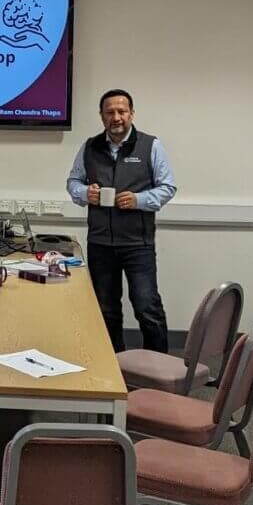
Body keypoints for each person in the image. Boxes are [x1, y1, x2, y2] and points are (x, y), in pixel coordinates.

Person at [66, 89, 176, 354]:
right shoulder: (90, 147)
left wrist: (138, 200)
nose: (116, 117)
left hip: (138, 243)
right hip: (101, 242)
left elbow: (168, 187)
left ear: (131, 114)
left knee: (147, 307)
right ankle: (114, 366)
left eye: (122, 111)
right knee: (106, 309)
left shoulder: (151, 146)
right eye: (110, 112)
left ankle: (158, 367)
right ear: (102, 116)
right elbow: (73, 183)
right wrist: (85, 194)